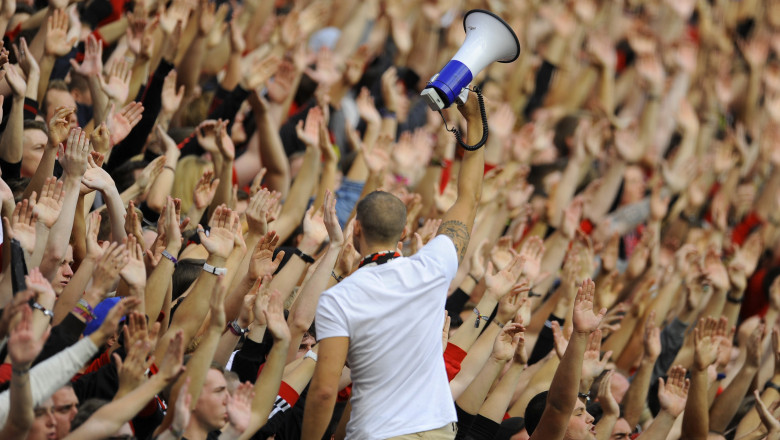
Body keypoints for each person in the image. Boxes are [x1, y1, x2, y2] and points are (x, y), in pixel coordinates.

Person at [302, 91, 486, 439]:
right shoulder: (432, 267)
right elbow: (469, 198)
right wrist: (475, 123)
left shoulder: (337, 298)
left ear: (356, 229)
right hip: (436, 430)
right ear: (404, 232)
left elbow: (325, 391)